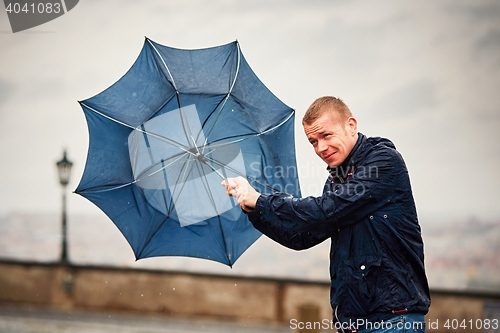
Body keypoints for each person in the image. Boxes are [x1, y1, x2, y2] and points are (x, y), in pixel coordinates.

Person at [222, 96, 430, 333]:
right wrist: (254, 210)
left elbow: (324, 210)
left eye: (326, 136)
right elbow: (301, 237)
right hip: (354, 324)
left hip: (393, 322)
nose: (320, 148)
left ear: (351, 126)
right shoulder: (336, 180)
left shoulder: (384, 163)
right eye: (312, 141)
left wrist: (261, 200)